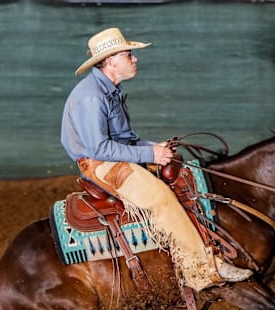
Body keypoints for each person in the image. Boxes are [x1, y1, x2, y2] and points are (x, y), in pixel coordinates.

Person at [61, 27, 252, 292]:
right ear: (112, 60)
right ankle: (201, 271)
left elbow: (124, 140)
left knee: (182, 171)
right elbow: (99, 148)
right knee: (159, 198)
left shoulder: (108, 90)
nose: (134, 59)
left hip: (110, 156)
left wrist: (155, 148)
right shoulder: (91, 97)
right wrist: (150, 154)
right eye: (129, 54)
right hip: (99, 164)